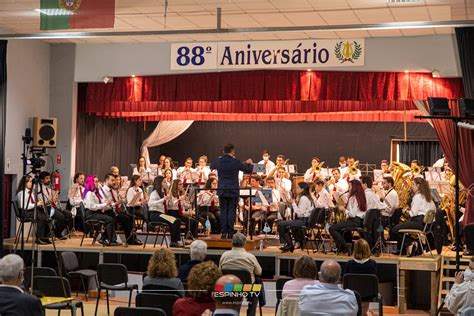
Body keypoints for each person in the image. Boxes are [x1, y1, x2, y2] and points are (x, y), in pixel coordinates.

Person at [211, 144, 253, 239]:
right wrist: (249, 163)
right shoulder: (236, 161)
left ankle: (223, 232)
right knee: (231, 211)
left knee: (223, 211)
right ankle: (230, 232)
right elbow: (248, 170)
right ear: (233, 152)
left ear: (223, 151)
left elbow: (212, 166)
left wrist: (219, 159)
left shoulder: (219, 161)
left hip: (222, 189)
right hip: (233, 190)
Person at [390, 177, 436, 255]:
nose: (412, 186)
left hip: (419, 222)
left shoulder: (417, 197)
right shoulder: (428, 197)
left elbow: (412, 214)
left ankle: (411, 243)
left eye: (413, 184)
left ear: (418, 186)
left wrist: (405, 211)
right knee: (400, 227)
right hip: (427, 225)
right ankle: (407, 248)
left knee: (394, 230)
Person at [329, 180, 367, 254]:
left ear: (354, 187)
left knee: (332, 228)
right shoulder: (361, 196)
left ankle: (346, 245)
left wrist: (344, 209)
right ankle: (343, 247)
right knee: (340, 227)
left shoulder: (353, 198)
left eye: (350, 186)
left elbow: (352, 214)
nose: (348, 188)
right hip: (359, 221)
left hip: (354, 221)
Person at [101, 173, 139, 245]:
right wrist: (116, 203)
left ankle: (132, 239)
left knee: (131, 217)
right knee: (125, 218)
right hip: (106, 212)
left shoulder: (112, 190)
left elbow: (116, 203)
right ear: (106, 180)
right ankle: (129, 240)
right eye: (112, 180)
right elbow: (104, 206)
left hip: (113, 211)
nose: (114, 182)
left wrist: (120, 200)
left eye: (114, 180)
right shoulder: (103, 191)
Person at [278, 182, 314, 253]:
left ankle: (289, 244)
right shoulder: (308, 197)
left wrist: (293, 203)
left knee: (281, 224)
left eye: (297, 187)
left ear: (302, 189)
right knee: (285, 225)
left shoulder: (303, 198)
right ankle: (289, 244)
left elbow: (299, 214)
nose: (296, 189)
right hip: (305, 220)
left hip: (303, 221)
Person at [83, 175, 119, 246]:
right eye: (96, 181)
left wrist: (106, 204)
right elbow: (92, 206)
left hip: (96, 212)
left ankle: (108, 239)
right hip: (91, 214)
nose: (98, 183)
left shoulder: (95, 193)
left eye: (97, 181)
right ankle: (110, 240)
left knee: (112, 216)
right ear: (91, 183)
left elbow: (98, 204)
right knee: (109, 219)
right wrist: (104, 204)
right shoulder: (89, 193)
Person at [147, 176, 181, 247]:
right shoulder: (155, 192)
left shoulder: (163, 192)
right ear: (160, 183)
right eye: (164, 182)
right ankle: (173, 242)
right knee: (174, 220)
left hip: (160, 214)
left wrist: (168, 199)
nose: (166, 183)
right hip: (155, 214)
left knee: (177, 220)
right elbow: (150, 204)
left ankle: (175, 241)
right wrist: (163, 199)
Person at [16, 176, 50, 244]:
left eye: (32, 182)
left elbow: (33, 203)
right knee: (40, 217)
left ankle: (45, 237)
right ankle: (39, 238)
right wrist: (36, 204)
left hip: (31, 211)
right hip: (25, 213)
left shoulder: (31, 192)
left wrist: (39, 203)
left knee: (46, 215)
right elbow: (24, 206)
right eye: (30, 181)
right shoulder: (21, 193)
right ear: (25, 182)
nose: (32, 183)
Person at [38, 171, 72, 239]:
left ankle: (57, 232)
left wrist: (55, 198)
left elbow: (52, 198)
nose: (49, 180)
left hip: (51, 207)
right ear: (42, 180)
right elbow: (42, 202)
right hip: (45, 208)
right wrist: (49, 200)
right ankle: (55, 233)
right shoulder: (39, 189)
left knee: (68, 214)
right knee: (61, 217)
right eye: (47, 178)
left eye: (49, 178)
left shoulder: (48, 189)